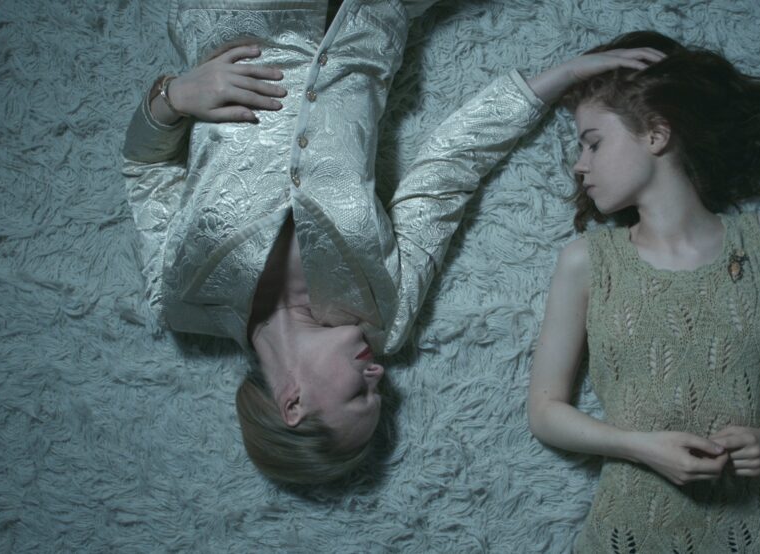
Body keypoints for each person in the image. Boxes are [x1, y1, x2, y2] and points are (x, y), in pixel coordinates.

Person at [122, 0, 659, 485]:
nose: (377, 375)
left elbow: (144, 168)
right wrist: (564, 76)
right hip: (369, 21)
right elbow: (446, 173)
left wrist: (173, 97)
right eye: (376, 390)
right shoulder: (386, 312)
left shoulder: (179, 298)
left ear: (293, 403)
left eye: (360, 394)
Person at [526, 31, 760, 552]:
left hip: (749, 536)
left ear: (656, 134)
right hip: (623, 534)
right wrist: (640, 448)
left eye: (593, 142)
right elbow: (545, 411)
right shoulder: (587, 261)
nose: (579, 165)